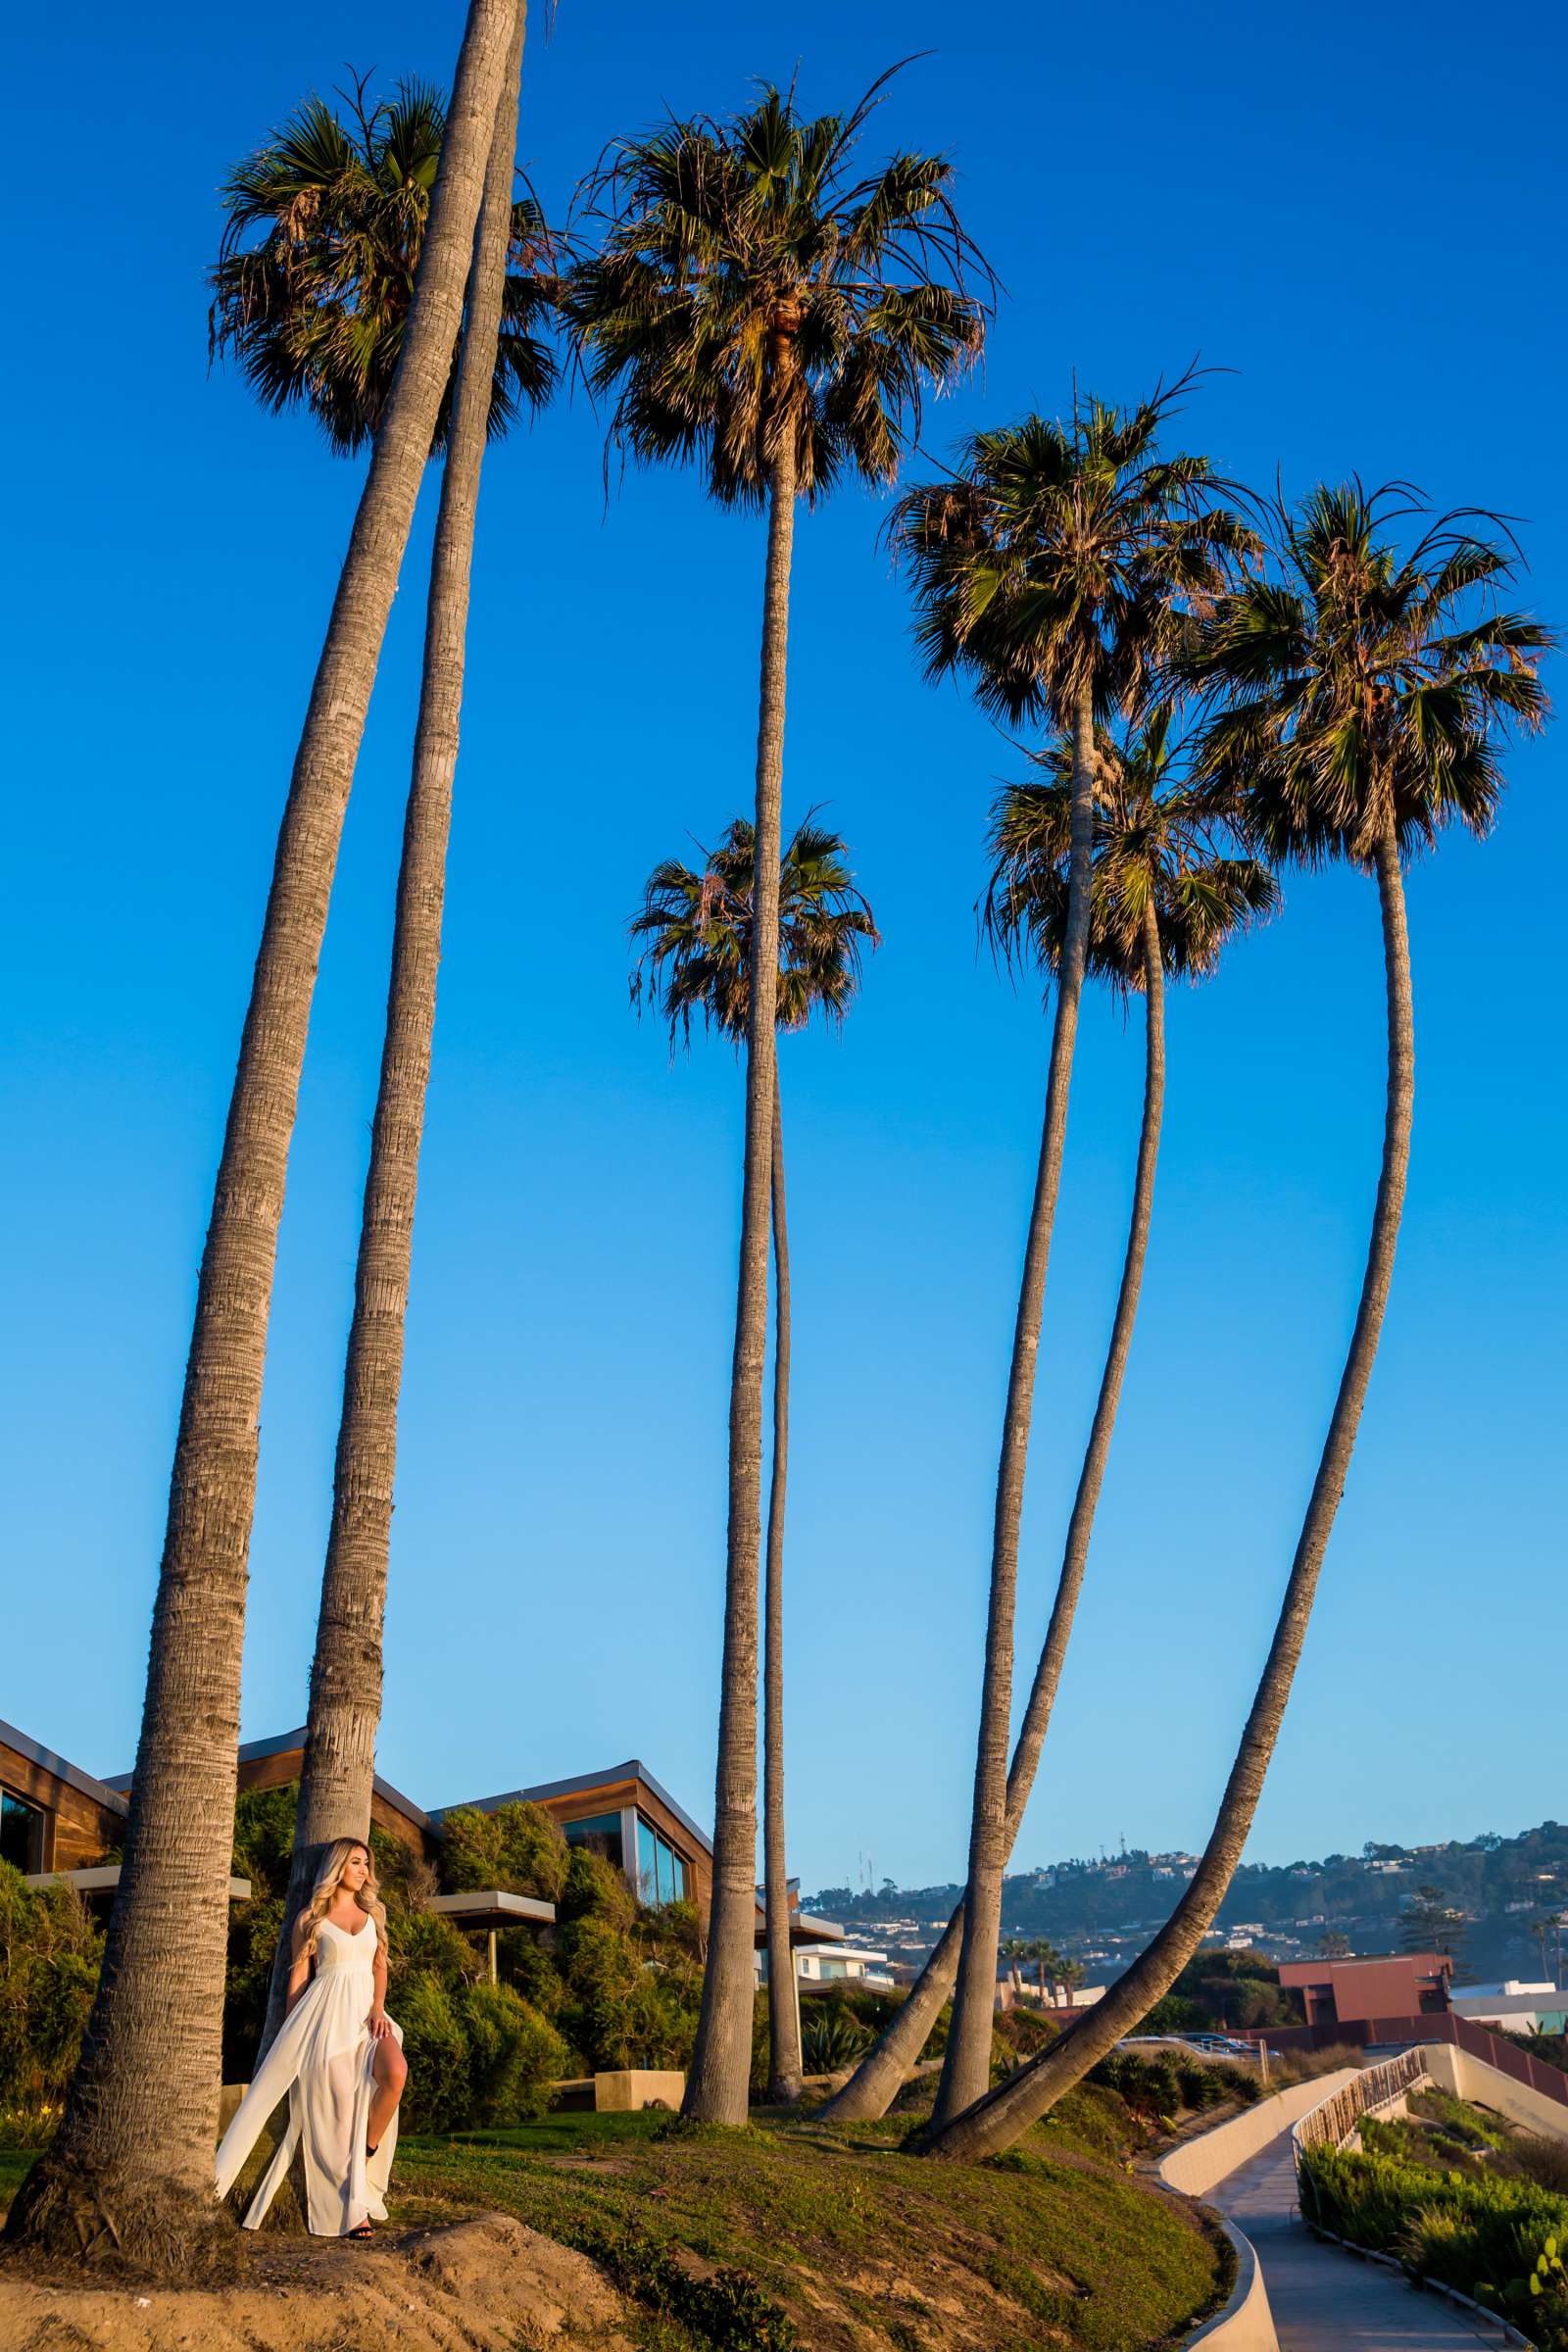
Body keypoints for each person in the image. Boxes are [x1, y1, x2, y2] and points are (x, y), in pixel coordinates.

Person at [215, 1837, 408, 2238]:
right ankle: (354, 2210)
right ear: (338, 1867)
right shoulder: (310, 1919)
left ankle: (367, 2152)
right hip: (325, 2019)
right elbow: (299, 1978)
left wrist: (377, 2008)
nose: (364, 1871)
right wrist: (293, 2031)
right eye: (356, 1863)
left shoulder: (374, 1913)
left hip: (369, 2016)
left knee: (396, 2073)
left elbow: (380, 1966)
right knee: (337, 2117)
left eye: (366, 1864)